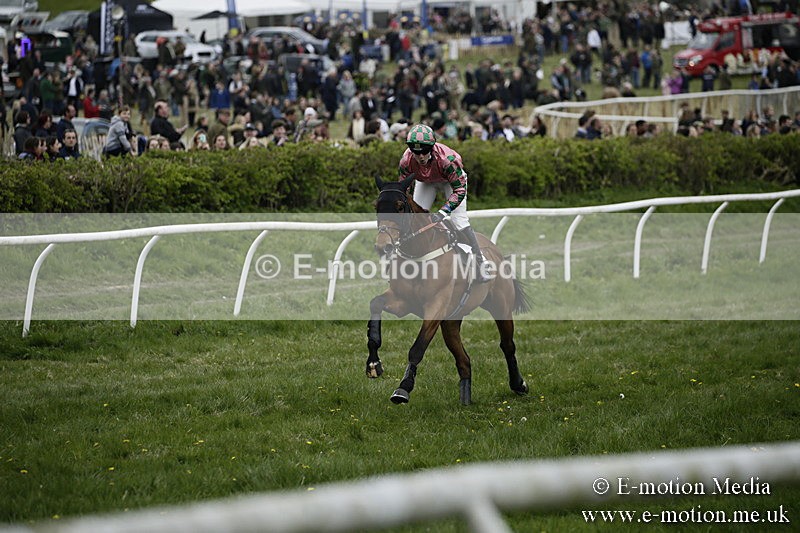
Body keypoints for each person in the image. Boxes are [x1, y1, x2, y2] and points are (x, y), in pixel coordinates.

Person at [398, 124, 490, 282]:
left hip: (451, 183)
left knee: (459, 221)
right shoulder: (406, 161)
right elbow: (403, 190)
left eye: (424, 151)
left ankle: (480, 262)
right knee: (415, 219)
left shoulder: (447, 161)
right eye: (416, 151)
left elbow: (459, 191)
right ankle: (412, 260)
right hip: (425, 181)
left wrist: (443, 212)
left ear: (432, 148)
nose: (420, 156)